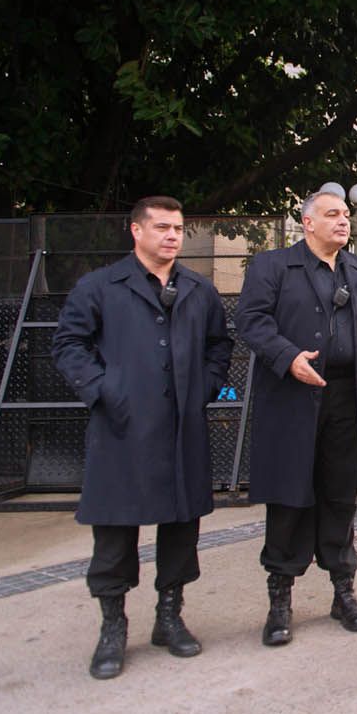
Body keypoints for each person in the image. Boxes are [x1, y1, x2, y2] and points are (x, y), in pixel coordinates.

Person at [51, 196, 233, 679]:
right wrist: (104, 390)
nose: (172, 236)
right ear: (136, 231)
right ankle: (113, 628)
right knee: (114, 531)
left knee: (180, 527)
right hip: (121, 429)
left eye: (177, 228)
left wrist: (206, 388)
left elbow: (220, 345)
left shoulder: (199, 289)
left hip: (182, 428)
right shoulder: (100, 287)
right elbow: (69, 343)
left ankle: (169, 617)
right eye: (161, 228)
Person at [235, 191, 357, 647]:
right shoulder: (271, 267)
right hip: (292, 398)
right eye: (332, 215)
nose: (343, 222)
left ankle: (343, 591)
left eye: (346, 215)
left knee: (341, 496)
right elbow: (250, 320)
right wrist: (287, 357)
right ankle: (280, 599)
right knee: (290, 498)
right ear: (306, 223)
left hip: (349, 400)